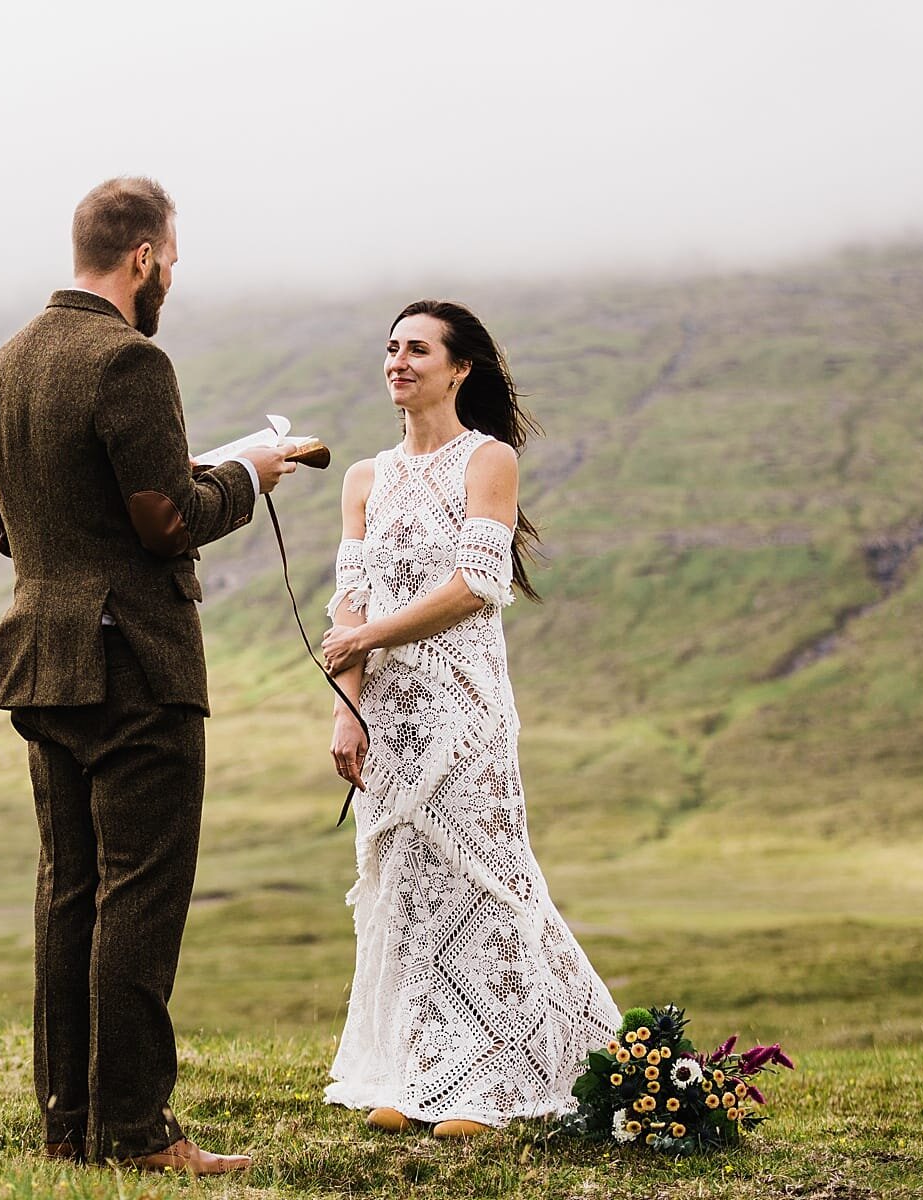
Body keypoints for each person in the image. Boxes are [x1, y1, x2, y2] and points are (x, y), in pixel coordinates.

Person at [0, 177, 296, 1175]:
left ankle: (70, 1125)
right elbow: (165, 521)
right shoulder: (130, 360)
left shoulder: (6, 366)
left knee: (69, 894)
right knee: (140, 898)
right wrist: (251, 475)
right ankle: (139, 1133)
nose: (171, 282)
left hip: (40, 660)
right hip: (134, 666)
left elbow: (3, 528)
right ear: (145, 257)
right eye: (173, 263)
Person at [318, 300, 619, 1136]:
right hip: (389, 713)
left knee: (485, 879)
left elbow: (476, 583)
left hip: (466, 710)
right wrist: (349, 710)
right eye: (391, 349)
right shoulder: (365, 479)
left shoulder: (487, 460)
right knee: (406, 889)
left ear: (460, 370)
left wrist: (369, 634)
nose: (399, 362)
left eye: (418, 349)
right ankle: (418, 1076)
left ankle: (500, 1083)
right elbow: (352, 597)